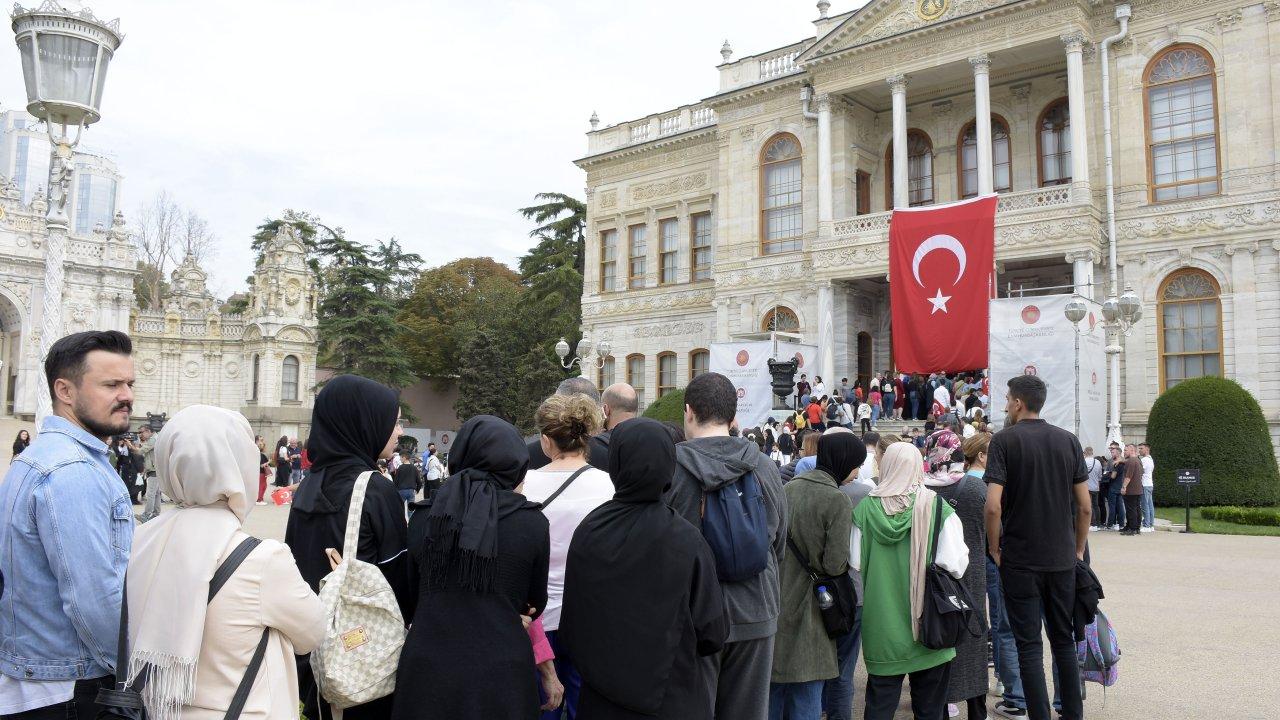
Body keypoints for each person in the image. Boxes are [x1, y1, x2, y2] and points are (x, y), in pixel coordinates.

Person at [125, 405, 324, 720]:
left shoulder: (140, 542)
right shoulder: (263, 558)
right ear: (240, 466)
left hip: (158, 711)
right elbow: (313, 634)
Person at [0, 330, 135, 719]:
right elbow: (93, 599)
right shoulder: (71, 471)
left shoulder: (42, 457)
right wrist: (132, 672)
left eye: (129, 383)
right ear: (66, 391)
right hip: (69, 687)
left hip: (43, 679)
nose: (126, 395)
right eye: (111, 384)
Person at [560, 418, 728, 719]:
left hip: (601, 699)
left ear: (617, 463)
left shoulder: (590, 530)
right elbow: (713, 632)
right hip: (672, 698)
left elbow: (572, 622)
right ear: (669, 464)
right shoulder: (687, 539)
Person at [392, 415, 551, 720]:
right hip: (501, 669)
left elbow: (410, 598)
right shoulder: (531, 522)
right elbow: (534, 602)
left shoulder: (425, 518)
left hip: (429, 667)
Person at [286, 375, 411, 720]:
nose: (398, 432)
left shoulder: (308, 486)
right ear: (365, 423)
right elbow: (398, 584)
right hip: (363, 665)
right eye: (393, 422)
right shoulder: (375, 490)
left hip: (314, 657)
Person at [667, 372, 786, 720]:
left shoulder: (671, 468)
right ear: (734, 417)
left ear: (688, 412)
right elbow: (778, 541)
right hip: (756, 606)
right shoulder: (763, 466)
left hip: (692, 613)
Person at [984, 375, 1090, 720]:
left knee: (1028, 644)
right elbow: (1085, 506)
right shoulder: (1068, 441)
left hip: (1020, 559)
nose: (1005, 406)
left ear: (1017, 402)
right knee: (1063, 641)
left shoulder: (1004, 441)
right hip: (1061, 558)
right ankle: (1073, 713)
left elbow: (993, 506)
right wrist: (1077, 549)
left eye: (1007, 400)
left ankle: (1039, 715)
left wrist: (995, 548)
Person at [854, 442, 968, 720]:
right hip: (930, 625)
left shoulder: (864, 510)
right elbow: (956, 564)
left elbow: (854, 562)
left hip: (881, 628)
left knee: (879, 706)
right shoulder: (937, 507)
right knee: (930, 710)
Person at [521, 393, 616, 719]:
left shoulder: (526, 484)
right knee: (582, 704)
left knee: (542, 704)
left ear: (546, 441)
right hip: (589, 614)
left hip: (536, 617)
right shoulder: (607, 485)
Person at [771, 430, 861, 720]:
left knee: (774, 689)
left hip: (779, 597)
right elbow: (834, 565)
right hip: (813, 605)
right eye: (856, 464)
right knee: (807, 687)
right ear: (843, 461)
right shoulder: (836, 500)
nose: (857, 471)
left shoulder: (787, 489)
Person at [923, 430, 989, 719]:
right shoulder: (976, 491)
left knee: (936, 636)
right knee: (973, 639)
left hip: (932, 576)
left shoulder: (920, 491)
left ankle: (941, 704)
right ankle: (977, 709)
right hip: (970, 574)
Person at [821, 429, 871, 720]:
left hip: (817, 591)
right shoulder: (865, 494)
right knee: (844, 666)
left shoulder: (801, 489)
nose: (859, 470)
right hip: (854, 592)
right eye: (856, 463)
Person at [135, 426, 162, 522]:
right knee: (156, 493)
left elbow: (139, 451)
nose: (140, 435)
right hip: (156, 469)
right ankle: (156, 514)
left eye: (141, 432)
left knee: (150, 494)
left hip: (154, 470)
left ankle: (146, 515)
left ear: (148, 431)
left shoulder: (153, 439)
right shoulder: (157, 438)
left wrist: (130, 445)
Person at [1120, 444, 1144, 537]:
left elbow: (1128, 476)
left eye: (1126, 450)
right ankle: (1135, 527)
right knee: (1137, 508)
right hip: (1138, 489)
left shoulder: (1131, 461)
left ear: (1132, 450)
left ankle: (1132, 528)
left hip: (1131, 489)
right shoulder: (1138, 460)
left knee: (1131, 510)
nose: (1124, 452)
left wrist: (1124, 487)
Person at [1103, 444, 1125, 531]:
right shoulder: (1123, 461)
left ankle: (1110, 525)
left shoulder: (1116, 463)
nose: (1111, 454)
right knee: (1120, 506)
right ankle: (1121, 524)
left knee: (1112, 506)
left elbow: (1113, 476)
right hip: (1120, 486)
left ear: (1118, 453)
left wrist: (1107, 474)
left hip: (1114, 486)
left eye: (1113, 452)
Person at [1083, 447, 1103, 532]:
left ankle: (1093, 523)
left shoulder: (1084, 462)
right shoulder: (1098, 462)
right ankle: (1098, 524)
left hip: (1087, 486)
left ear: (1085, 453)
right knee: (1096, 505)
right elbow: (1100, 476)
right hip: (1096, 486)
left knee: (1089, 505)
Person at [1138, 442, 1155, 532]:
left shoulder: (1144, 460)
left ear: (1147, 449)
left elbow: (1140, 471)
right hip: (1149, 484)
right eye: (1139, 448)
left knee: (1145, 505)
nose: (1139, 450)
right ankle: (1151, 525)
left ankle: (1146, 525)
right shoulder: (1150, 459)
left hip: (1144, 484)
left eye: (1141, 448)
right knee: (1149, 505)